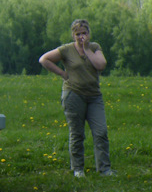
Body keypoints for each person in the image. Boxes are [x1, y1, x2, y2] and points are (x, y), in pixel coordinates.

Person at [39, 19, 115, 177]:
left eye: (84, 33)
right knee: (77, 133)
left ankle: (104, 169)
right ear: (73, 35)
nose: (81, 37)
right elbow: (44, 59)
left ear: (89, 34)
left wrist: (86, 49)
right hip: (74, 95)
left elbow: (101, 65)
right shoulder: (66, 49)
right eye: (78, 34)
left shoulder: (94, 47)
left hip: (94, 96)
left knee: (100, 132)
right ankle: (78, 169)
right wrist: (61, 73)